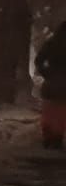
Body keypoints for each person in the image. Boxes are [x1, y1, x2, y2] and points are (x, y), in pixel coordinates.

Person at [37, 21, 66, 150]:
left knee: (49, 111)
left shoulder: (52, 43)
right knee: (61, 111)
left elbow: (39, 60)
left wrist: (46, 73)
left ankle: (48, 137)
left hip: (51, 82)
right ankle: (57, 138)